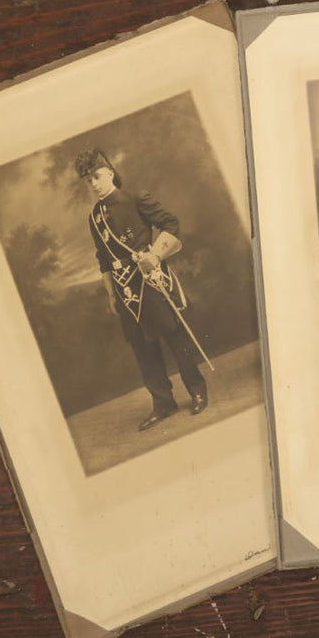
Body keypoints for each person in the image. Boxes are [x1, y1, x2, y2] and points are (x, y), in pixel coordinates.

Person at [76, 148, 208, 430]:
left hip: (149, 279)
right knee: (142, 348)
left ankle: (197, 390)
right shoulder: (94, 217)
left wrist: (155, 256)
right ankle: (163, 404)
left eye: (97, 176)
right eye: (89, 181)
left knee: (174, 337)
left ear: (110, 173)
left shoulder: (134, 197)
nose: (94, 184)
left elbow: (171, 223)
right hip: (124, 289)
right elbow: (103, 258)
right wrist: (111, 295)